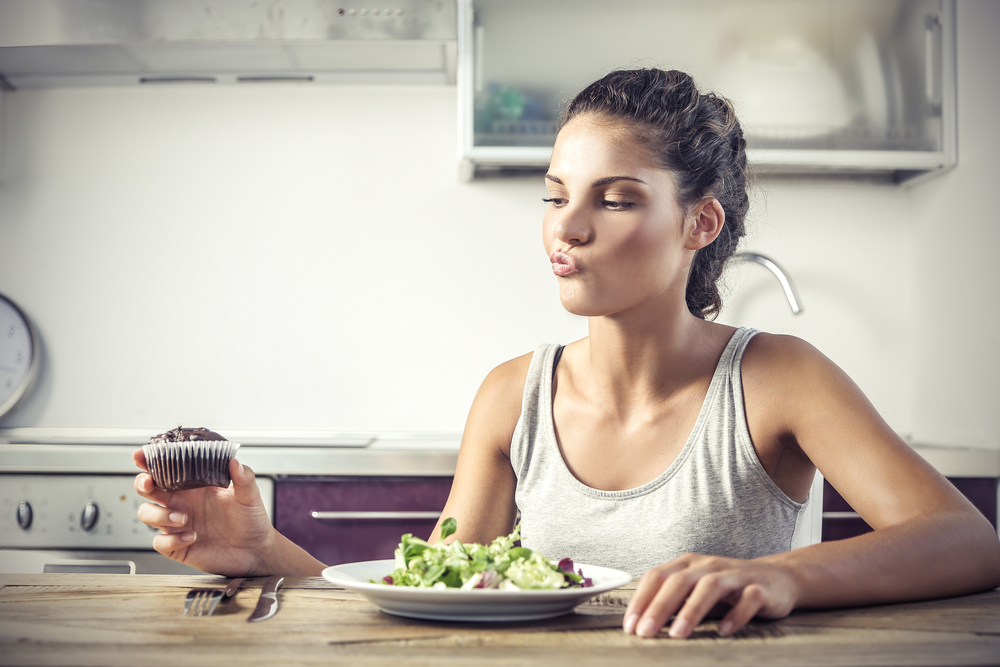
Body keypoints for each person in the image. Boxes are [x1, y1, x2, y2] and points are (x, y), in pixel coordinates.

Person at [133, 67, 1000, 639]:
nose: (567, 228)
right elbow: (432, 593)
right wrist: (261, 551)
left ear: (699, 223)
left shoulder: (779, 378)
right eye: (556, 196)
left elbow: (967, 540)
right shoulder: (511, 393)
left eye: (615, 200)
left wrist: (776, 577)